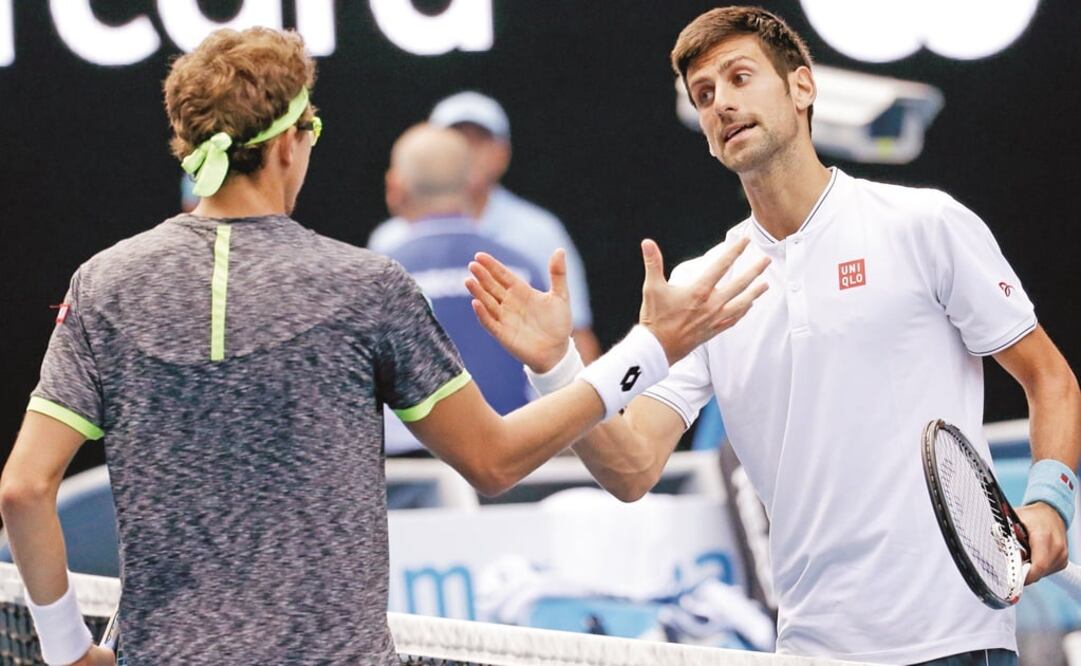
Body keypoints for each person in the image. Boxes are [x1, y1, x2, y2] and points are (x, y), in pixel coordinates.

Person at [0, 26, 769, 665]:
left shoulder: (104, 284)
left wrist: (67, 650)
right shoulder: (361, 286)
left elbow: (23, 491)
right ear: (289, 145)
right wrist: (651, 349)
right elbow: (494, 460)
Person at [464, 7, 1080, 665]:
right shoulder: (704, 286)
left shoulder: (922, 224)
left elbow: (1050, 380)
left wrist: (1047, 504)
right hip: (810, 649)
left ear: (802, 88)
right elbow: (631, 467)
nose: (722, 103)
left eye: (739, 78)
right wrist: (558, 364)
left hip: (957, 643)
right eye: (704, 95)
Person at [367, 91, 603, 362]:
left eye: (480, 140)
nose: (466, 149)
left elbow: (576, 335)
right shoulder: (388, 240)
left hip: (525, 401)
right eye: (455, 139)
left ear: (503, 153)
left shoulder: (540, 232)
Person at [381, 123, 543, 472]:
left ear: (394, 188)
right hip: (518, 471)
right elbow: (556, 383)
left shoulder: (374, 278)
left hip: (412, 485)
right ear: (473, 183)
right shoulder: (521, 270)